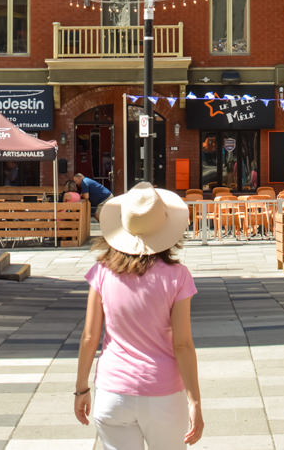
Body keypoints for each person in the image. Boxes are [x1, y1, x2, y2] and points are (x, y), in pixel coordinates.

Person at [74, 182, 203, 449]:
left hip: (113, 390)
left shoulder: (102, 272)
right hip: (163, 391)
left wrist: (81, 389)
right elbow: (182, 344)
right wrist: (195, 402)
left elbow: (89, 337)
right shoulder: (178, 277)